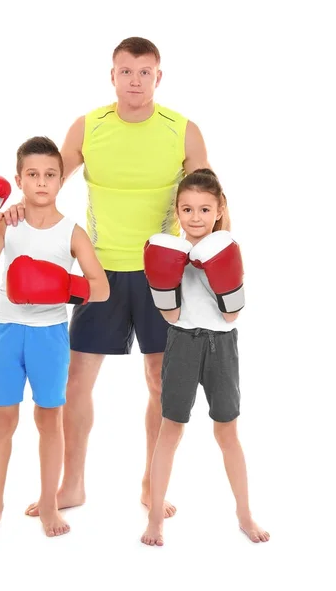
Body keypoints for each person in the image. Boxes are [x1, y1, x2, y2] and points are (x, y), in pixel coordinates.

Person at [2, 37, 227, 519]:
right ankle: (72, 484)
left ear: (158, 77)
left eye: (145, 72)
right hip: (99, 268)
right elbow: (49, 180)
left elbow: (210, 197)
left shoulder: (183, 130)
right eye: (126, 71)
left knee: (159, 379)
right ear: (112, 75)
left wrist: (221, 256)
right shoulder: (89, 127)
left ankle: (151, 482)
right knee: (77, 379)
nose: (135, 81)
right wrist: (21, 204)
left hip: (163, 271)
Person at [0, 136, 109, 538]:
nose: (41, 182)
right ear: (19, 179)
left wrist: (59, 286)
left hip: (49, 337)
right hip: (6, 332)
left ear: (62, 180)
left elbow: (102, 288)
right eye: (32, 175)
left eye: (49, 175)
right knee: (1, 422)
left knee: (49, 421)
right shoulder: (6, 225)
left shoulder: (72, 232)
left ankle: (48, 503)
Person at [141, 169, 269, 546]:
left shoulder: (226, 250)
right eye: (187, 209)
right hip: (181, 341)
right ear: (177, 212)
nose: (195, 217)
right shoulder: (169, 253)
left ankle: (244, 515)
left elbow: (231, 315)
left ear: (218, 210)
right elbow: (170, 316)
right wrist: (167, 276)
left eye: (203, 209)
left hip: (222, 345)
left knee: (227, 431)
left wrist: (217, 274)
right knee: (171, 430)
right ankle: (154, 518)